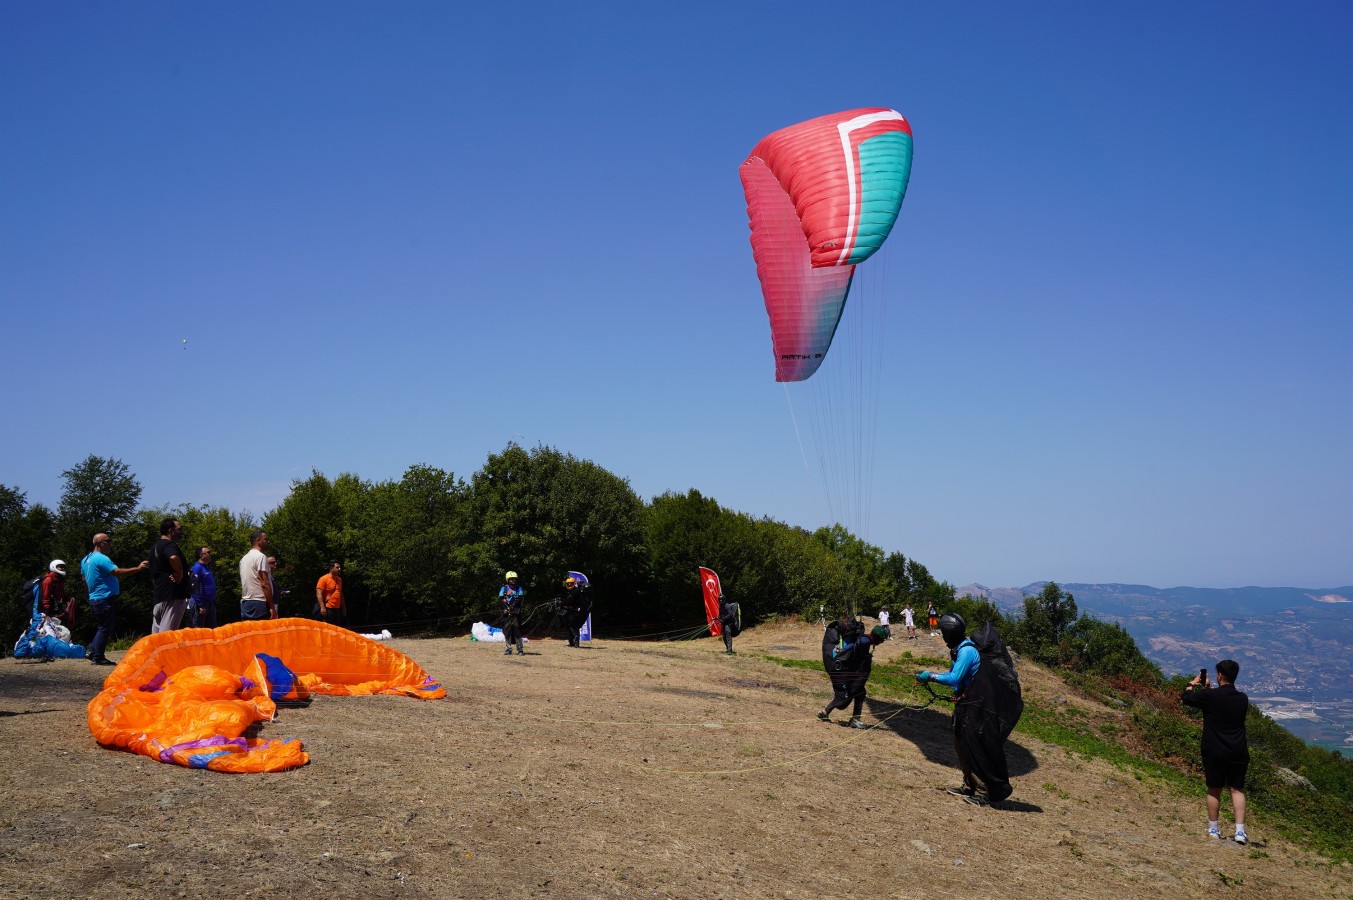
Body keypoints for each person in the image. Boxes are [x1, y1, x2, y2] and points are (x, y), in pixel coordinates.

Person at [917, 613, 1019, 806]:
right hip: (965, 704)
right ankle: (970, 784)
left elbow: (954, 678)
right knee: (960, 744)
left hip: (976, 707)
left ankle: (985, 790)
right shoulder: (958, 650)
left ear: (949, 634)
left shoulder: (966, 652)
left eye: (944, 633)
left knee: (975, 747)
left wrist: (929, 676)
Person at [1183, 660, 1249, 844]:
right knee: (1237, 789)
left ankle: (1214, 829)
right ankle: (1240, 832)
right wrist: (1210, 691)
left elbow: (1186, 698)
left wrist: (1192, 684)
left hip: (1214, 750)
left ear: (1219, 675)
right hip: (1238, 750)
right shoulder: (1242, 698)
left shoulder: (1209, 696)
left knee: (1214, 788)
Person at [80, 533, 148, 665]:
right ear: (99, 543)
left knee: (102, 626)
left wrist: (92, 591)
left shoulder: (85, 559)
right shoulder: (101, 558)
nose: (110, 543)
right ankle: (98, 656)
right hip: (104, 598)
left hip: (94, 597)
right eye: (108, 541)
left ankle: (93, 651)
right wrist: (138, 569)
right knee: (106, 627)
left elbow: (84, 579)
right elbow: (117, 572)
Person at [818, 624, 887, 728]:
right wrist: (843, 651)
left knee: (860, 692)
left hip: (850, 671)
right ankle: (826, 712)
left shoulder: (866, 640)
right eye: (882, 640)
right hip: (844, 671)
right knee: (844, 698)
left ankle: (852, 718)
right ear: (877, 638)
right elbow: (855, 644)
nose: (882, 642)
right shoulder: (865, 641)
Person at [150, 518, 190, 633]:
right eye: (179, 529)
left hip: (159, 597)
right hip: (173, 597)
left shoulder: (154, 548)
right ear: (171, 531)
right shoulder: (170, 545)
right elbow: (173, 557)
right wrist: (179, 572)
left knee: (156, 638)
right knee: (167, 637)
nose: (180, 532)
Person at [239, 530, 275, 620]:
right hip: (259, 604)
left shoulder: (243, 559)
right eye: (265, 539)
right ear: (258, 541)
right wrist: (272, 607)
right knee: (263, 633)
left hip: (246, 603)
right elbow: (264, 583)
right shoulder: (261, 557)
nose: (268, 542)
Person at [39, 560, 75, 627]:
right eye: (60, 567)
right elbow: (45, 597)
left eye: (63, 567)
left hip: (56, 610)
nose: (62, 568)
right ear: (53, 567)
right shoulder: (48, 580)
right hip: (48, 611)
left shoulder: (58, 580)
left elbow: (61, 595)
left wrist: (66, 601)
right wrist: (47, 612)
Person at [189, 546, 218, 628]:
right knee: (199, 629)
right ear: (201, 555)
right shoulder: (197, 568)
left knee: (212, 629)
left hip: (210, 603)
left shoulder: (207, 567)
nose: (210, 554)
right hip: (201, 604)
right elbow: (194, 587)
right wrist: (200, 605)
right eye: (208, 552)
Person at [498, 571, 525, 656]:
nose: (513, 580)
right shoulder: (504, 588)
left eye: (514, 579)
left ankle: (520, 649)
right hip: (506, 613)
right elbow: (500, 600)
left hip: (515, 613)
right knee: (507, 631)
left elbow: (520, 598)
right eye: (511, 579)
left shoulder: (518, 588)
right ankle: (508, 648)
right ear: (508, 579)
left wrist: (513, 606)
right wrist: (505, 609)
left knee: (517, 631)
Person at [559, 576, 590, 648]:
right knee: (569, 626)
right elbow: (567, 600)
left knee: (573, 626)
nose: (569, 585)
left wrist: (561, 602)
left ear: (574, 583)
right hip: (570, 612)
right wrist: (561, 600)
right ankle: (571, 642)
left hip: (576, 612)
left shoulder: (576, 591)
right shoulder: (569, 592)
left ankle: (576, 643)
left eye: (570, 584)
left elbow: (570, 601)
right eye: (567, 584)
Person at [316, 561, 346, 625]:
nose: (339, 569)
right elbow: (319, 594)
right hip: (328, 608)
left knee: (337, 628)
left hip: (337, 608)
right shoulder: (323, 579)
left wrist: (343, 608)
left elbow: (340, 594)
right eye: (337, 567)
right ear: (331, 569)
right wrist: (322, 607)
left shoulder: (339, 580)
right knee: (328, 628)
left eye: (340, 567)